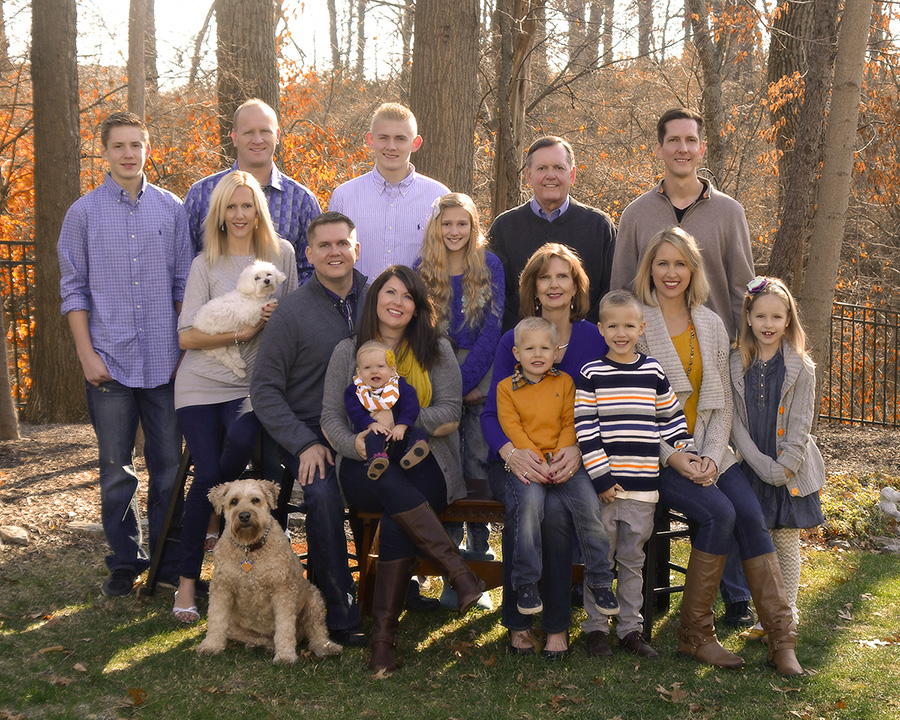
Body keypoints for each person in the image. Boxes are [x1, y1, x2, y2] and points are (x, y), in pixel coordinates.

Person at [633, 226, 803, 676]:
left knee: (747, 512)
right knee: (718, 514)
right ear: (650, 267)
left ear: (693, 270)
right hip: (655, 454)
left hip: (710, 447)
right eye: (663, 263)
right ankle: (696, 635)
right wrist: (675, 456)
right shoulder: (636, 320)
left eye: (681, 264)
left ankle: (781, 638)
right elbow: (629, 410)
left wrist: (709, 455)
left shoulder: (709, 322)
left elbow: (722, 402)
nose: (672, 273)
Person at [320, 265, 484, 674]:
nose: (398, 302)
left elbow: (451, 410)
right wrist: (354, 442)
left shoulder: (436, 349)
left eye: (407, 296)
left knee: (398, 509)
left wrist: (402, 423)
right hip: (364, 461)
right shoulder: (348, 352)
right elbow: (330, 415)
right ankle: (458, 573)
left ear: (417, 306)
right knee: (391, 486)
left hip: (424, 456)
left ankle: (383, 639)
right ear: (375, 299)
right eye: (390, 293)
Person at [58, 111, 192, 596]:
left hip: (164, 361)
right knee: (116, 469)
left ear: (147, 148)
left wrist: (185, 348)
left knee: (168, 470)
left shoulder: (172, 209)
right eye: (119, 146)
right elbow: (73, 292)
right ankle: (124, 561)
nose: (129, 153)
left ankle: (167, 560)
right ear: (105, 151)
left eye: (137, 144)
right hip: (108, 362)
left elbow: (183, 284)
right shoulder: (83, 213)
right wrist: (86, 355)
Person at [171, 171, 298, 623]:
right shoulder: (206, 263)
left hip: (251, 384)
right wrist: (245, 330)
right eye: (231, 207)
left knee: (242, 442)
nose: (240, 215)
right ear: (220, 214)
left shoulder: (281, 255)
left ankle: (215, 513)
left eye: (247, 206)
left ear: (259, 210)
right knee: (207, 474)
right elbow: (186, 336)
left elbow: (295, 322)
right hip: (202, 381)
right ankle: (188, 581)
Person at [480, 243, 607, 659]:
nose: (554, 285)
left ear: (576, 287)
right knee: (529, 503)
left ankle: (556, 627)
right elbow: (490, 415)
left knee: (556, 512)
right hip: (515, 456)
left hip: (573, 456)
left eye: (563, 276)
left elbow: (603, 408)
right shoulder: (512, 341)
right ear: (533, 286)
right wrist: (512, 454)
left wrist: (577, 450)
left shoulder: (593, 339)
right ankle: (519, 622)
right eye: (545, 277)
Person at [250, 211, 367, 647]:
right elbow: (264, 390)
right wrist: (303, 444)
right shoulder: (292, 311)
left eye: (343, 243)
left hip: (368, 428)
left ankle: (397, 591)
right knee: (321, 494)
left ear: (357, 248)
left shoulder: (378, 296)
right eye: (325, 245)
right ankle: (339, 609)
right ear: (309, 253)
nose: (335, 252)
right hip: (308, 431)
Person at [574, 290, 696, 658]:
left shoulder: (652, 371)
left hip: (643, 490)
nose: (621, 332)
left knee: (632, 561)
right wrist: (600, 479)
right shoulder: (591, 374)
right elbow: (585, 430)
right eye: (613, 325)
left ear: (641, 328)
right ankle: (595, 627)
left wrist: (685, 451)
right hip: (606, 490)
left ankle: (631, 629)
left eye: (629, 325)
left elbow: (671, 418)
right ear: (601, 329)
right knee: (600, 559)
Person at [498, 316, 619, 619]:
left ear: (555, 353)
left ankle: (601, 579)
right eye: (529, 349)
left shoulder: (565, 383)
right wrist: (538, 458)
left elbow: (571, 422)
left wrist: (560, 455)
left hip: (565, 463)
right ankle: (527, 581)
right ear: (516, 354)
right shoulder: (505, 388)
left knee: (590, 509)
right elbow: (511, 427)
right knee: (529, 507)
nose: (537, 355)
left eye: (544, 348)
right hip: (530, 464)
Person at [729, 276, 825, 633]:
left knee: (785, 541)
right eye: (761, 317)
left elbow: (801, 422)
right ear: (749, 318)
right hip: (752, 465)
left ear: (788, 320)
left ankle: (788, 615)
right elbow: (735, 422)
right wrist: (759, 463)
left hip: (790, 469)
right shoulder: (736, 363)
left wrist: (785, 465)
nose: (768, 325)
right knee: (757, 543)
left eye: (776, 317)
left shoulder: (802, 367)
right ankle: (763, 613)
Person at [417, 192, 503, 580]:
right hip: (437, 370)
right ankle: (450, 562)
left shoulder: (490, 265)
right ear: (437, 226)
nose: (454, 231)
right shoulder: (422, 268)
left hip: (481, 370)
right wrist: (451, 386)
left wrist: (469, 381)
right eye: (447, 223)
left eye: (462, 224)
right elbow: (420, 331)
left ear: (473, 226)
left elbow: (492, 328)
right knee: (447, 461)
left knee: (478, 459)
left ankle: (480, 552)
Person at [611, 108, 753, 339]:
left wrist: (746, 354)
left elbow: (742, 291)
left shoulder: (730, 213)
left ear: (701, 148)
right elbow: (621, 293)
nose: (683, 149)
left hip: (716, 349)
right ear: (659, 149)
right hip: (650, 352)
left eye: (690, 140)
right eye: (674, 140)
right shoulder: (635, 215)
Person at [184, 98, 321, 283]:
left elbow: (313, 269)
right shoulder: (201, 194)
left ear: (278, 135)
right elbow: (185, 265)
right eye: (248, 132)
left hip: (282, 309)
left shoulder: (302, 200)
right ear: (234, 137)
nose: (258, 140)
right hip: (218, 308)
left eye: (265, 131)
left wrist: (287, 308)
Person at [488, 136, 616, 331]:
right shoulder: (504, 227)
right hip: (522, 347)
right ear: (528, 176)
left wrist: (583, 335)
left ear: (572, 175)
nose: (550, 175)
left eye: (558, 168)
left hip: (586, 347)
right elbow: (494, 295)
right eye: (542, 168)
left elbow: (611, 290)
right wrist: (527, 337)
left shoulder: (599, 226)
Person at [328, 103, 449, 279]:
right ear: (370, 140)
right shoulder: (344, 197)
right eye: (384, 137)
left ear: (415, 143)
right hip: (358, 305)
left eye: (400, 138)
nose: (391, 146)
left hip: (420, 304)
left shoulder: (439, 196)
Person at [343, 340, 430, 480]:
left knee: (420, 432)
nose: (374, 371)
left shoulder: (399, 385)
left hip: (399, 436)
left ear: (392, 369)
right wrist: (371, 424)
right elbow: (354, 412)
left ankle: (411, 455)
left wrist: (402, 425)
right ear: (359, 372)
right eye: (367, 368)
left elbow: (411, 404)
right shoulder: (355, 391)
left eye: (380, 366)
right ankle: (377, 461)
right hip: (376, 436)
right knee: (371, 438)